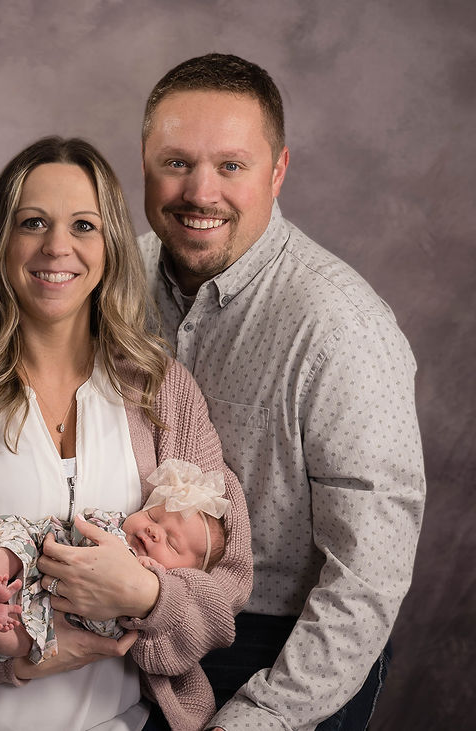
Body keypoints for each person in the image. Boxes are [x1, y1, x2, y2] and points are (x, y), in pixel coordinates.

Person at [0, 136, 252, 731]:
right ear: (0, 244)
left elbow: (226, 584)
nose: (57, 246)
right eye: (33, 222)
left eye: (83, 225)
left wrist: (146, 597)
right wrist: (9, 657)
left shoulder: (163, 392)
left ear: (110, 244)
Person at [137, 53, 425, 730]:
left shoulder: (339, 325)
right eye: (176, 162)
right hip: (143, 621)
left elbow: (367, 576)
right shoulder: (112, 276)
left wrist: (260, 716)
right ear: (144, 161)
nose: (199, 192)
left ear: (278, 170)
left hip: (283, 642)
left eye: (230, 165)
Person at [0, 458, 230, 662]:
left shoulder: (145, 605)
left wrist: (146, 583)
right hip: (30, 556)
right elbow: (88, 529)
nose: (153, 531)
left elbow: (110, 629)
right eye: (153, 516)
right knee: (10, 538)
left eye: (171, 542)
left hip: (37, 615)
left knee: (26, 644)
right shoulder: (114, 525)